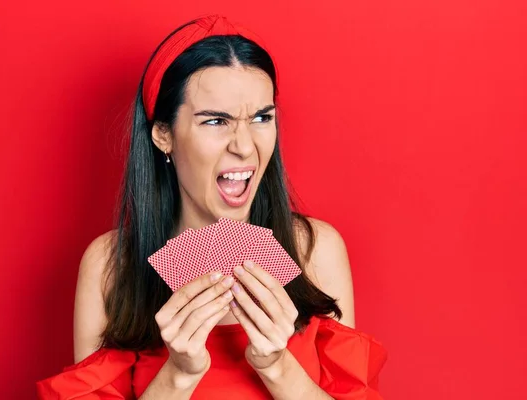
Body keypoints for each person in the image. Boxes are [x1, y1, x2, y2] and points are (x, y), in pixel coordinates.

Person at [36, 14, 387, 400]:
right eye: (216, 121)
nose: (244, 145)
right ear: (163, 134)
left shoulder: (315, 249)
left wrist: (277, 366)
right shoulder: (111, 265)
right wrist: (179, 375)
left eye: (261, 117)